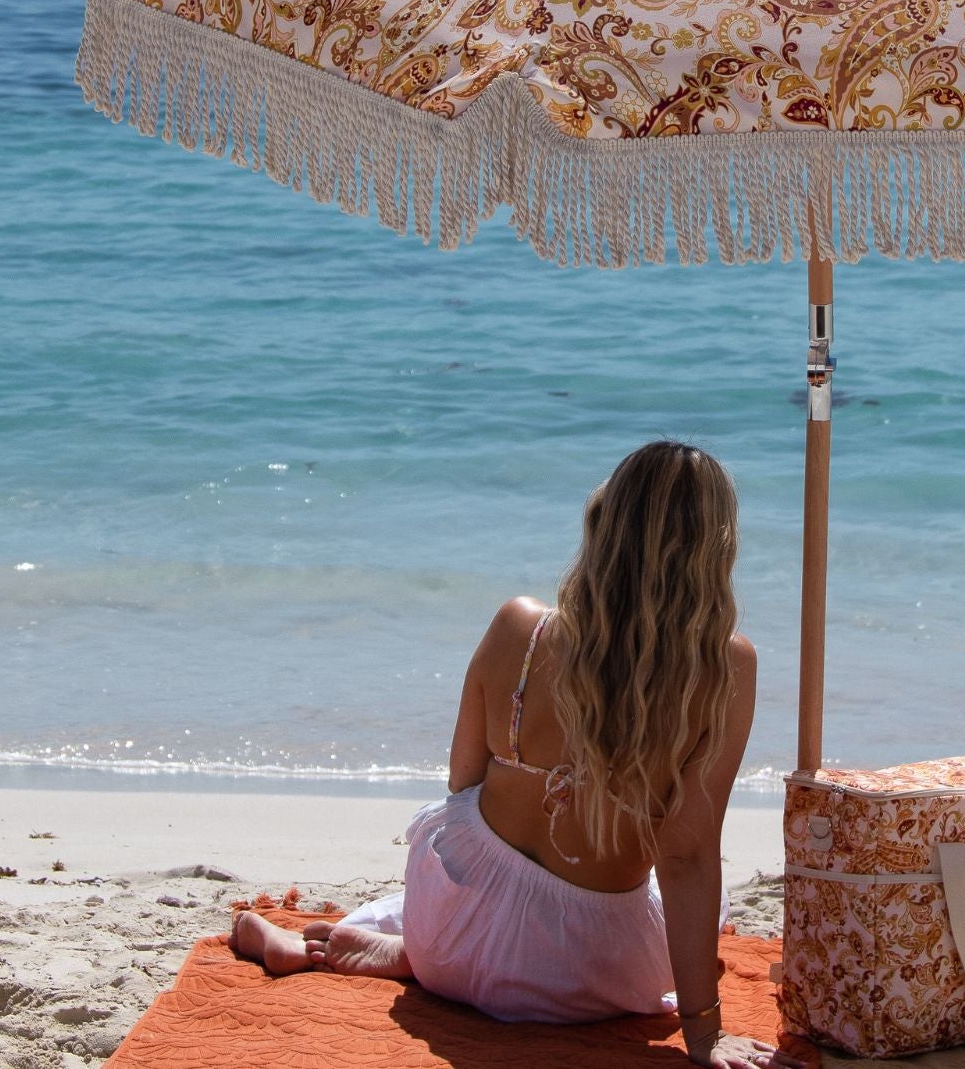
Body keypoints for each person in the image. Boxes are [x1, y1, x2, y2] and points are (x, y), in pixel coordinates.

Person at [231, 441, 796, 1069]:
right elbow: (686, 857)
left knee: (481, 853)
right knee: (694, 915)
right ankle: (402, 949)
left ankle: (379, 946)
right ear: (716, 546)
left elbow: (462, 781)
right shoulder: (723, 667)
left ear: (605, 520)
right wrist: (703, 1032)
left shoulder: (519, 627)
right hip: (589, 980)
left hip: (449, 938)